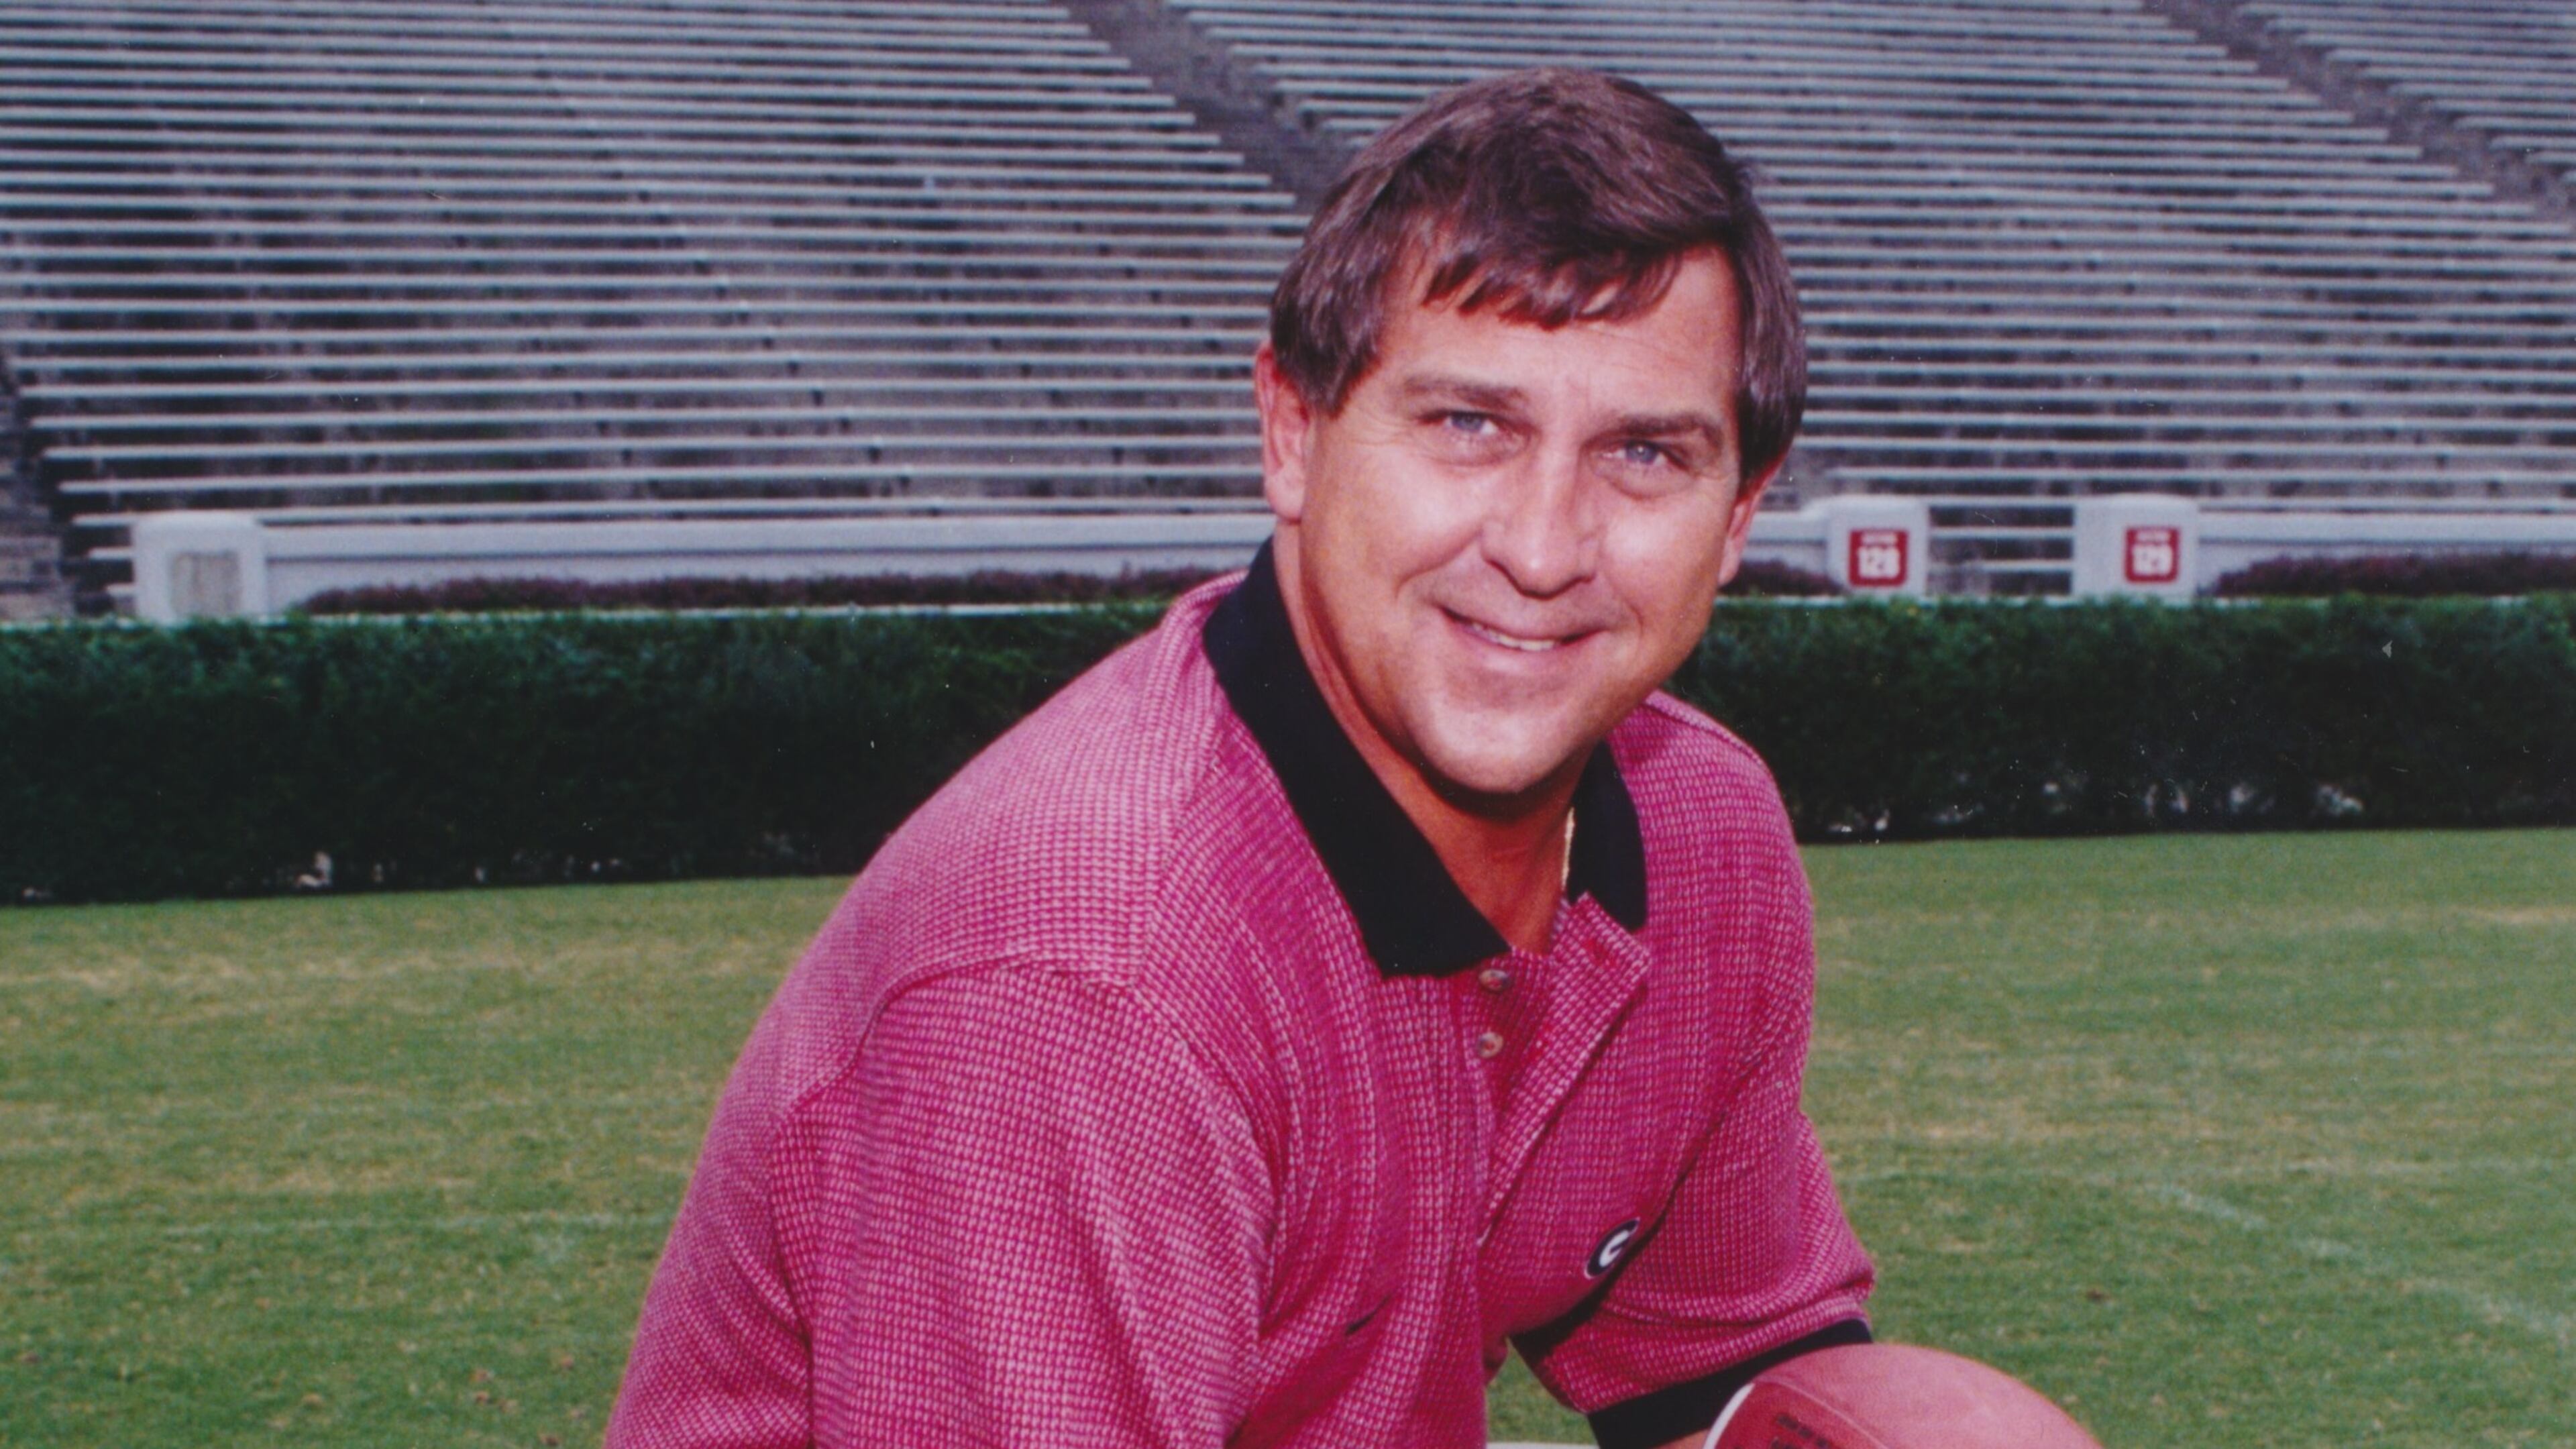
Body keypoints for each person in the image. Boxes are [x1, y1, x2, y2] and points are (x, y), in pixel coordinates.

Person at [608, 67, 1873, 1449]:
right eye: (1470, 427)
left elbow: (1720, 1369)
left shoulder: (1698, 829)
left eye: (1645, 454)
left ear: (1739, 516)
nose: (1543, 547)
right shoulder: (1091, 969)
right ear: (1293, 430)